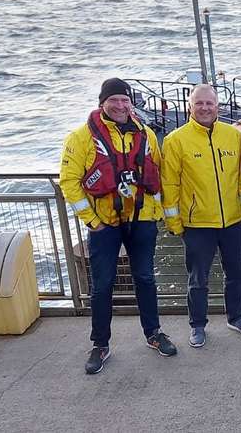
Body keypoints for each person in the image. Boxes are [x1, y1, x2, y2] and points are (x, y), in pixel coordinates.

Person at [59, 77, 176, 375]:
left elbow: (157, 171)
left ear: (131, 103)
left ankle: (154, 333)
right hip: (105, 226)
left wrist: (159, 212)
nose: (120, 105)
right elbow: (69, 182)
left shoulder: (146, 134)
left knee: (146, 279)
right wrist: (92, 221)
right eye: (114, 100)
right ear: (102, 103)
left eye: (125, 100)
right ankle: (100, 344)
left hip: (142, 220)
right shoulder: (80, 138)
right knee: (102, 285)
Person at [161, 84, 241, 348]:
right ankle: (198, 325)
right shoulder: (175, 140)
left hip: (232, 220)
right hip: (197, 224)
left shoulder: (233, 136)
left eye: (210, 103)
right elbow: (170, 185)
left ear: (218, 106)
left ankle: (236, 317)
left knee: (236, 273)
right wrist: (174, 222)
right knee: (198, 279)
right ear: (190, 107)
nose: (205, 108)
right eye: (199, 103)